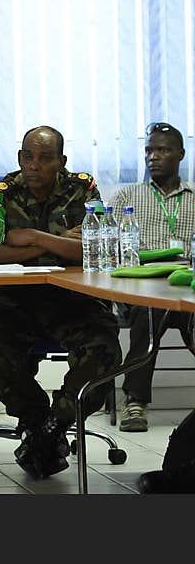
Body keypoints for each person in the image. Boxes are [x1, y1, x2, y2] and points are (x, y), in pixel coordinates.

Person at [0, 125, 122, 479]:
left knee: (104, 353)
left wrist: (31, 238)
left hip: (72, 299)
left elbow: (95, 248)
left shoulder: (82, 189)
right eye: (27, 156)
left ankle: (53, 428)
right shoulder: (1, 193)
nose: (33, 165)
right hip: (11, 300)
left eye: (44, 158)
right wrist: (55, 244)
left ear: (61, 161)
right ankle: (42, 424)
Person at [109, 122, 195, 432]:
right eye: (149, 150)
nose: (153, 157)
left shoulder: (194, 198)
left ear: (180, 155)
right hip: (144, 289)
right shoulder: (127, 197)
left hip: (186, 287)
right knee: (148, 310)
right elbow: (111, 249)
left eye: (163, 150)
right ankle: (135, 402)